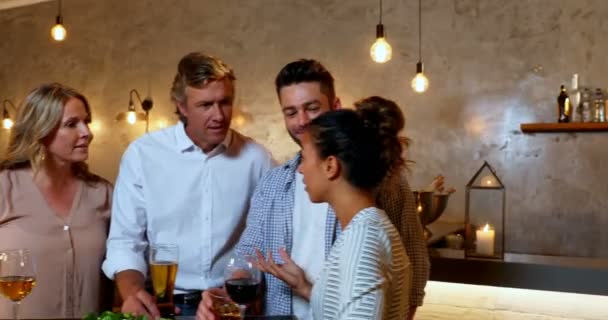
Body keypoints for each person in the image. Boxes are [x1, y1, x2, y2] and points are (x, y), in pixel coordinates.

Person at [198, 60, 429, 320]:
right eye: (291, 112)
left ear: (336, 107)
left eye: (312, 108)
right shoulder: (273, 183)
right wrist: (229, 292)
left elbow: (413, 267)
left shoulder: (380, 191)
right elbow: (249, 255)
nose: (302, 122)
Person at [102, 52, 274, 317]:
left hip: (230, 305)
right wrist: (134, 294)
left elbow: (266, 238)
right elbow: (125, 240)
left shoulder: (257, 158)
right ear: (181, 106)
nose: (218, 115)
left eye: (225, 102)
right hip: (163, 304)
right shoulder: (142, 155)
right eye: (206, 105)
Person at [259, 104, 411, 319]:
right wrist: (304, 287)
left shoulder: (361, 242)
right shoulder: (367, 227)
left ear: (330, 166)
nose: (300, 168)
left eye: (304, 157)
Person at [0, 83, 112, 318]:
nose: (87, 132)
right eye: (72, 124)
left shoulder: (102, 193)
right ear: (40, 130)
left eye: (86, 121)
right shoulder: (5, 187)